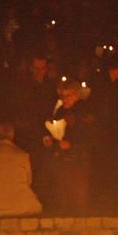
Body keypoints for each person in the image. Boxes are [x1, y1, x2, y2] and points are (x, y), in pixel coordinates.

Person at [41, 79, 95, 215]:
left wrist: (72, 145)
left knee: (78, 201)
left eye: (68, 95)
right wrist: (51, 142)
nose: (65, 99)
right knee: (62, 199)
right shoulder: (59, 111)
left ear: (77, 95)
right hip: (62, 162)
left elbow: (90, 138)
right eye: (62, 96)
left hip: (79, 163)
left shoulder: (85, 112)